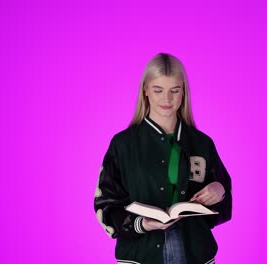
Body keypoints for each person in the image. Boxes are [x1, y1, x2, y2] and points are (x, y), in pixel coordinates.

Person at [94, 53, 232, 264]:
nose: (166, 99)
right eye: (158, 90)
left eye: (174, 91)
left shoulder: (202, 143)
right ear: (145, 91)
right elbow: (104, 204)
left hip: (195, 252)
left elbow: (223, 199)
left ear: (183, 92)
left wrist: (219, 190)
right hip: (141, 254)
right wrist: (142, 223)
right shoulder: (123, 144)